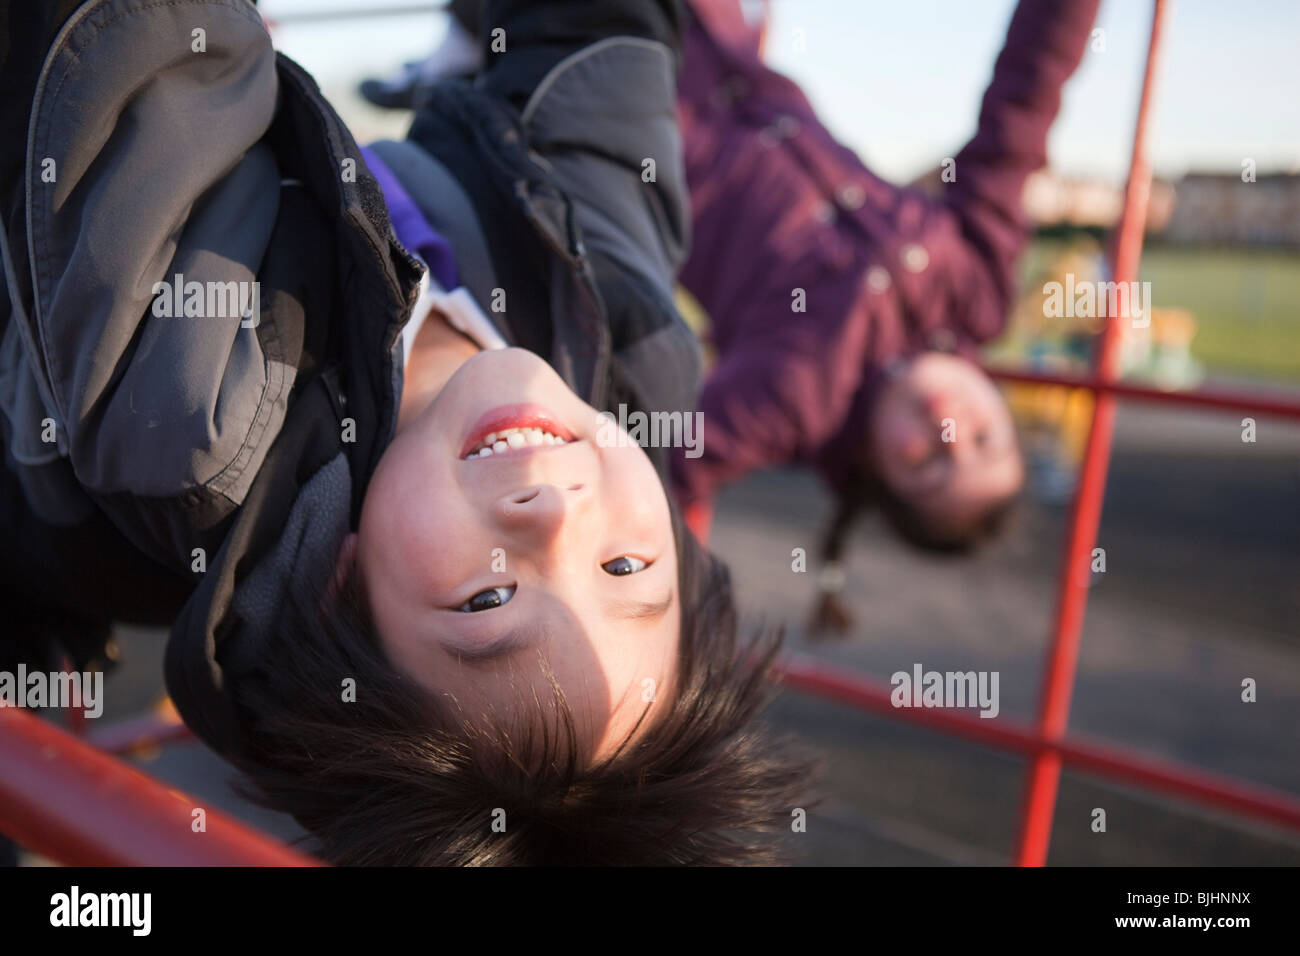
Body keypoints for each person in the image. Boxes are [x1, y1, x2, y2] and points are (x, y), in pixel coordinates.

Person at [0, 0, 814, 865]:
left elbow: (134, 43)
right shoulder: (629, 348)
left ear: (342, 587)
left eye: (488, 601)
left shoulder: (195, 412)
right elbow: (599, 56)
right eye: (625, 567)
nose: (558, 513)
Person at [359, 0, 1101, 634]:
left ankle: (464, 59)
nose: (946, 430)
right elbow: (1020, 117)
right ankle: (462, 54)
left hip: (640, 108)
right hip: (726, 46)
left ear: (875, 472)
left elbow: (660, 468)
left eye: (928, 462)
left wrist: (623, 604)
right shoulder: (975, 288)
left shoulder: (795, 401)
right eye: (980, 436)